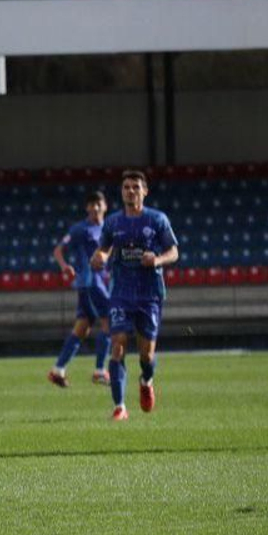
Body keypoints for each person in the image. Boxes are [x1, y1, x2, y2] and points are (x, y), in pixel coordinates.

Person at [90, 170, 179, 421]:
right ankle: (120, 407)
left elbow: (174, 252)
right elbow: (104, 250)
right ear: (122, 192)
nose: (131, 191)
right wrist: (99, 258)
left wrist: (158, 259)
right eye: (126, 187)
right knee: (117, 346)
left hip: (150, 293)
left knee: (146, 355)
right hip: (121, 293)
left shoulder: (157, 219)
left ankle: (146, 380)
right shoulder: (113, 223)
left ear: (145, 191)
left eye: (136, 187)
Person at [47, 190, 113, 388]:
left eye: (98, 203)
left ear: (105, 206)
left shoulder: (108, 228)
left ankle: (58, 370)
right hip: (90, 283)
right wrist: (64, 266)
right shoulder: (80, 229)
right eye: (91, 204)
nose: (95, 207)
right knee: (110, 322)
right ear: (86, 208)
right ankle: (100, 371)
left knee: (82, 328)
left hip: (99, 282)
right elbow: (58, 250)